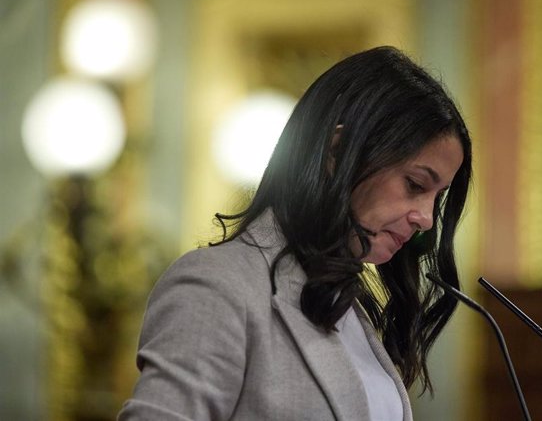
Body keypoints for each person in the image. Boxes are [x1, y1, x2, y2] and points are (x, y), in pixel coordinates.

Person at [118, 46, 473, 421]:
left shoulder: (351, 310)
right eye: (416, 184)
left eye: (438, 197)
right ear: (336, 153)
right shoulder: (217, 284)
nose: (427, 220)